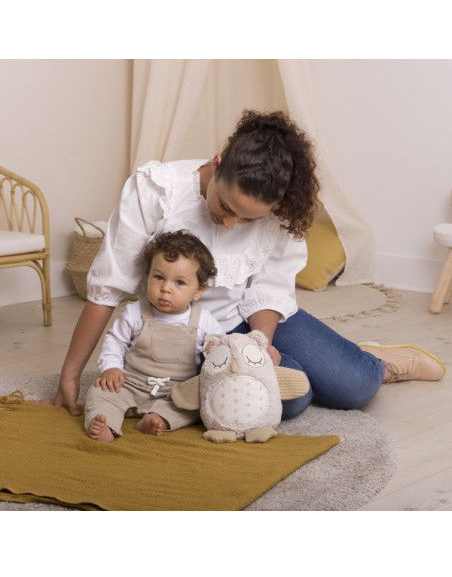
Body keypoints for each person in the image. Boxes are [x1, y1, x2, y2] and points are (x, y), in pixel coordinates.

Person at [55, 109, 445, 421]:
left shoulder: (281, 211)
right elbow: (107, 288)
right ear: (218, 162)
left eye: (247, 220)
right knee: (291, 401)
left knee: (356, 386)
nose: (229, 224)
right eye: (225, 206)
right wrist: (70, 374)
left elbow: (270, 288)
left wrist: (261, 342)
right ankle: (321, 365)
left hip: (254, 316)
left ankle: (376, 361)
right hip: (187, 335)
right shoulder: (156, 190)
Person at [84, 229, 222, 442]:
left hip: (174, 392)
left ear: (198, 290)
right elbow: (115, 341)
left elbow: (221, 348)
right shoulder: (135, 312)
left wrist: (216, 349)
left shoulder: (204, 321)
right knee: (99, 392)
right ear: (147, 276)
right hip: (129, 384)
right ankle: (105, 423)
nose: (166, 288)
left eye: (179, 282)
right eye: (159, 277)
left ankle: (158, 418)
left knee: (197, 402)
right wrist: (111, 368)